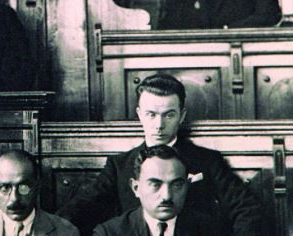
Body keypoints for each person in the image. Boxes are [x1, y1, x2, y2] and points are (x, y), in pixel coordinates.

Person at [56, 74, 262, 236]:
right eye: (151, 114)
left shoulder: (207, 161)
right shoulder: (119, 165)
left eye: (169, 115)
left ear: (182, 116)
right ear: (139, 114)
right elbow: (80, 209)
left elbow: (246, 208)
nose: (159, 125)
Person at [93, 145, 217, 236]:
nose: (166, 196)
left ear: (187, 186)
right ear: (136, 188)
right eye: (155, 184)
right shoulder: (109, 233)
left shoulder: (212, 231)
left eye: (176, 185)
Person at [0, 150, 79, 236]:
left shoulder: (66, 232)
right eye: (5, 188)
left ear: (37, 187)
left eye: (23, 187)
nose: (14, 199)